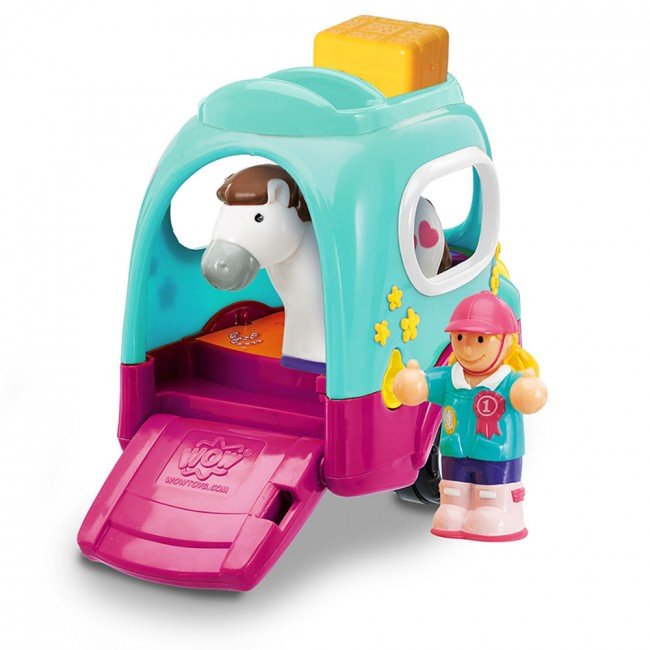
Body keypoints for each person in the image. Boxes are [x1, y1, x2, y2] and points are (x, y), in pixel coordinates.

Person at [393, 291, 547, 541]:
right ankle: (455, 510)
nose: (466, 347)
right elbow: (424, 384)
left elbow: (528, 396)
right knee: (454, 492)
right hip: (454, 452)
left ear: (507, 341)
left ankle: (498, 512)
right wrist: (412, 382)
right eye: (460, 337)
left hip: (496, 455)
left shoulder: (507, 381)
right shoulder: (450, 377)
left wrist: (528, 391)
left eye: (480, 339)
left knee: (491, 494)